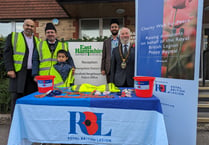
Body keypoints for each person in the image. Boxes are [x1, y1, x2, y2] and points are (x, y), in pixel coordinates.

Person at [3, 19, 39, 117]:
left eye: (32, 26)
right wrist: (10, 68)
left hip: (32, 75)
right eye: (27, 25)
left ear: (34, 28)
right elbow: (7, 53)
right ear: (23, 26)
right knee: (17, 99)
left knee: (30, 98)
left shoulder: (37, 40)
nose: (29, 28)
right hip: (18, 73)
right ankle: (15, 124)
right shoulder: (14, 37)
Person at [101, 19, 120, 83]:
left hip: (119, 67)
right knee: (109, 86)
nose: (114, 28)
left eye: (115, 27)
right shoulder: (106, 42)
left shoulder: (122, 40)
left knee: (119, 85)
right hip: (109, 68)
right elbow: (104, 56)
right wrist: (102, 68)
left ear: (118, 28)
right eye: (112, 27)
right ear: (110, 29)